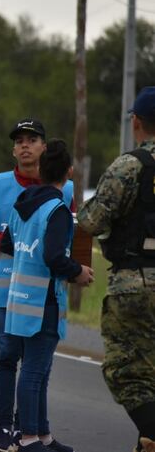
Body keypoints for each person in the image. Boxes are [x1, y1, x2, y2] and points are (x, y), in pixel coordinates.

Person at [0, 119, 74, 451]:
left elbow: (71, 238)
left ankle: (30, 430)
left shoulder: (66, 190)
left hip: (46, 290)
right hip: (5, 287)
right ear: (13, 150)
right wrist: (18, 241)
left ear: (45, 147)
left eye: (32, 139)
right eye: (19, 141)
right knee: (7, 356)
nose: (25, 146)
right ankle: (5, 430)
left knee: (38, 363)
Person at [0, 139, 93, 452]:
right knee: (34, 371)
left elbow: (7, 243)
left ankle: (42, 434)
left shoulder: (23, 202)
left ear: (40, 169)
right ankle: (28, 438)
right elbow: (54, 257)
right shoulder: (57, 210)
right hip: (44, 302)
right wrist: (78, 271)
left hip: (20, 299)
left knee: (38, 371)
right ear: (69, 172)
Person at [77, 86, 155, 452]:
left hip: (135, 283)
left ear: (136, 121)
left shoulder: (130, 166)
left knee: (128, 374)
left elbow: (92, 220)